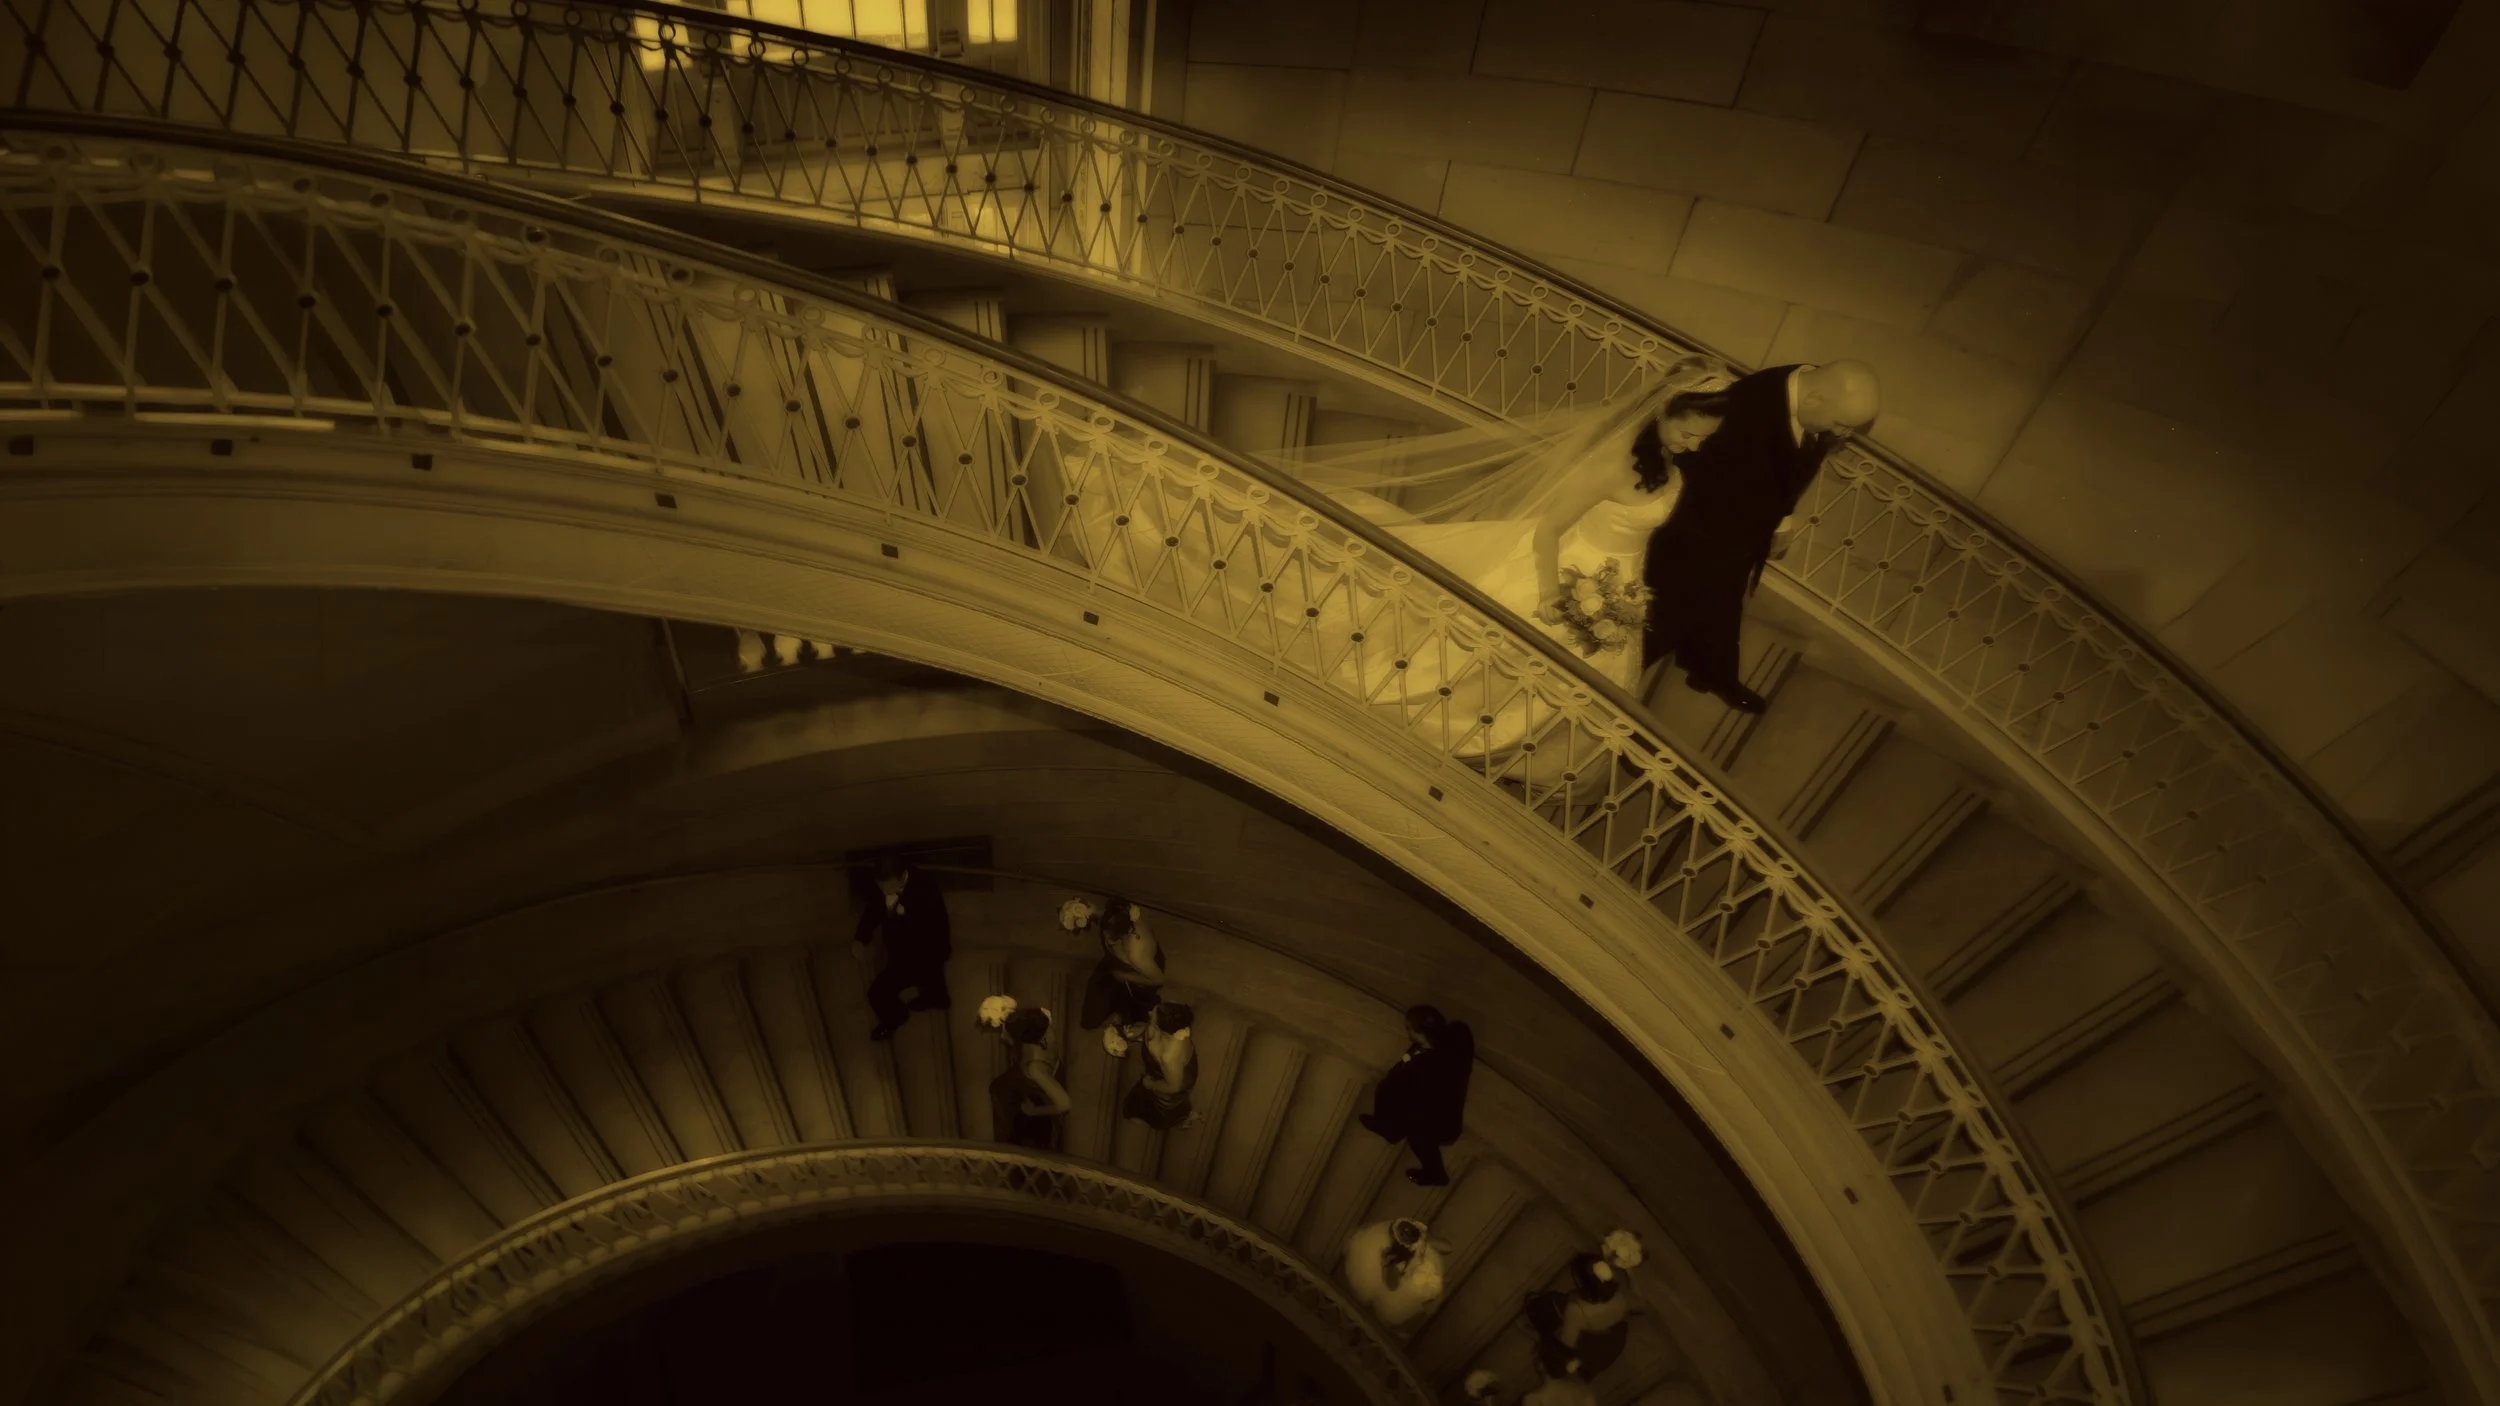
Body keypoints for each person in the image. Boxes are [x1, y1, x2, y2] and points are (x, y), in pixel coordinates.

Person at [1639, 360, 1880, 713]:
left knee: (1724, 607)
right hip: (1695, 538)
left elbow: (1786, 472)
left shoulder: (1810, 396)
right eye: (1841, 424)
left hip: (1737, 537)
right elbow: (1699, 483)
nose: (1844, 434)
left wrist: (1782, 521)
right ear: (1814, 399)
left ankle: (1710, 669)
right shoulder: (1745, 411)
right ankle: (1618, 694)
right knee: (1662, 625)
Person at [1359, 1004, 1474, 1186]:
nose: (1407, 1032)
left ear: (1419, 1031)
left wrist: (1401, 1073)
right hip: (1429, 1100)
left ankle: (1435, 1174)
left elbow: (1419, 1091)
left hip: (1439, 1117)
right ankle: (1389, 1128)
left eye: (1409, 1028)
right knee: (1387, 1087)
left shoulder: (1429, 1066)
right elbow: (1408, 1057)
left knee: (1418, 1136)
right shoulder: (1449, 1037)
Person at [855, 855, 951, 1040]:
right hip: (900, 952)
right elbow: (873, 910)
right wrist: (860, 937)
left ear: (902, 877)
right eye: (880, 887)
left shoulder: (925, 889)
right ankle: (896, 1016)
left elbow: (929, 928)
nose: (884, 892)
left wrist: (895, 914)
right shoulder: (884, 888)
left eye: (887, 887)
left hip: (927, 949)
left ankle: (937, 998)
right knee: (877, 993)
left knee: (930, 976)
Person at [1525, 1250, 1636, 1381]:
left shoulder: (1576, 1311)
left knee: (1543, 1308)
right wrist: (1629, 1271)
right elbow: (1638, 1300)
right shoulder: (1619, 1298)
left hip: (1593, 1350)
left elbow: (1566, 1346)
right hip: (1611, 1340)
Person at [983, 1000, 1072, 1151]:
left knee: (999, 1092)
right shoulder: (1045, 1028)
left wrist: (1033, 1111)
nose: (1003, 1037)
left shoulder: (1036, 1068)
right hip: (1039, 1079)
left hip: (1039, 1095)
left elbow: (1065, 1104)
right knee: (999, 1087)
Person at [1076, 898, 1166, 1049]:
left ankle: (1120, 1010)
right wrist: (1087, 912)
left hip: (1136, 980)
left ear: (1126, 933)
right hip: (1114, 968)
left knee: (1129, 1023)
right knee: (1089, 1020)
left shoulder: (1137, 954)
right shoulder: (1119, 915)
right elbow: (1106, 915)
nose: (1108, 941)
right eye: (1105, 936)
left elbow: (1159, 980)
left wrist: (1124, 976)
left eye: (1112, 939)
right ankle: (1115, 1008)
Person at [1341, 1216, 1451, 1331]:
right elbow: (1392, 1285)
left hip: (1424, 1277)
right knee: (1404, 1309)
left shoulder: (1422, 1244)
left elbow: (1448, 1248)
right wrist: (1387, 1268)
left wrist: (1425, 1239)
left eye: (1410, 1233)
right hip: (1409, 1286)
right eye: (1405, 1236)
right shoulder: (1396, 1261)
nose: (1410, 1238)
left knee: (1428, 1298)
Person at [1121, 1001, 1203, 1130]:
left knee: (1163, 1110)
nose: (1149, 1013)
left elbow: (1174, 1086)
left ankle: (1180, 1120)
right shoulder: (1167, 1026)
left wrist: (1151, 1084)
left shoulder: (1170, 1057)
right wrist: (1136, 1033)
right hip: (1160, 1072)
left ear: (1162, 1029)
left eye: (1152, 1018)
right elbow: (1149, 1028)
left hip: (1171, 1083)